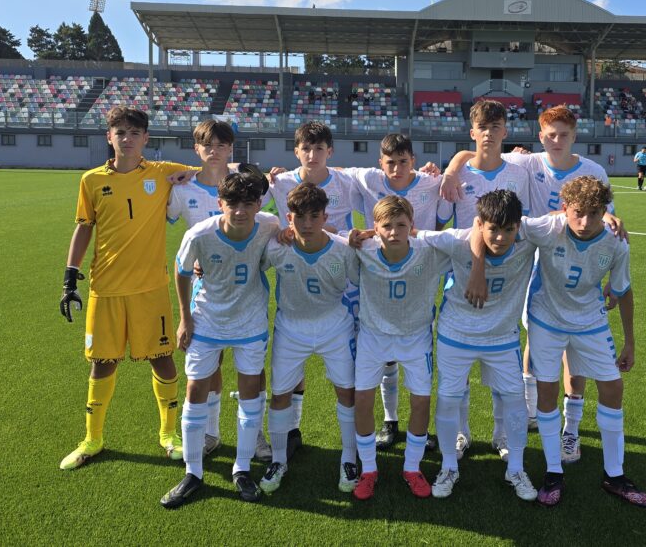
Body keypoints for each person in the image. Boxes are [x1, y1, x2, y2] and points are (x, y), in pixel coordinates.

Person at [443, 105, 624, 460]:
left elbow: (603, 215)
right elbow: (478, 150)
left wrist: (612, 222)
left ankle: (570, 428)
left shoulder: (593, 171)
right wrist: (451, 169)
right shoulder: (528, 162)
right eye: (551, 135)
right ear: (541, 137)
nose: (557, 140)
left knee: (572, 350)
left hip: (573, 259)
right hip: (533, 257)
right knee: (534, 335)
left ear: (574, 136)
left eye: (564, 135)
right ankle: (526, 411)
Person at [58, 106, 197, 472]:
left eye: (135, 133)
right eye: (120, 132)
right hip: (106, 288)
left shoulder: (163, 173)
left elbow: (212, 171)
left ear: (146, 138)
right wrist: (70, 276)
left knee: (162, 358)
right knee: (102, 363)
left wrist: (269, 174)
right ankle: (92, 439)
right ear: (109, 137)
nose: (128, 139)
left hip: (151, 289)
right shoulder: (91, 181)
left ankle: (169, 435)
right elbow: (84, 226)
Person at [519, 176, 646, 508]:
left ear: (604, 211)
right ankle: (553, 472)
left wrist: (630, 343)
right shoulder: (547, 227)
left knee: (613, 386)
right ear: (565, 208)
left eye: (594, 213)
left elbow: (623, 291)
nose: (584, 222)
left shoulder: (616, 243)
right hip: (546, 319)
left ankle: (615, 475)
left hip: (590, 320)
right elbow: (500, 224)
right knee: (548, 390)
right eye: (578, 213)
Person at [161, 166, 280, 508]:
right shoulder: (199, 234)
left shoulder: (269, 225)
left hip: (249, 323)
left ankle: (241, 468)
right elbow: (182, 271)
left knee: (250, 390)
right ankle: (193, 472)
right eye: (232, 203)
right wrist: (185, 319)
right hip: (207, 321)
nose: (240, 211)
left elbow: (288, 237)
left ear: (259, 204)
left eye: (248, 203)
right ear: (219, 203)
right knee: (195, 389)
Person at [419, 190, 540, 502]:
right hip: (456, 334)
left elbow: (563, 220)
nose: (501, 238)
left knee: (515, 399)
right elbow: (413, 234)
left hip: (502, 337)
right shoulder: (456, 241)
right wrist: (362, 235)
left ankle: (516, 468)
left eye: (508, 230)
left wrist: (609, 217)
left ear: (518, 226)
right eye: (493, 229)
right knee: (448, 398)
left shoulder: (528, 238)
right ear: (479, 224)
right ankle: (448, 466)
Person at [433, 99, 532, 462]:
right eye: (482, 128)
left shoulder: (520, 173)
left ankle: (501, 434)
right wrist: (450, 169)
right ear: (472, 132)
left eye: (495, 127)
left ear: (505, 132)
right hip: (460, 278)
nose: (489, 134)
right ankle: (461, 433)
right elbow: (443, 223)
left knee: (501, 370)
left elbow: (522, 224)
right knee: (456, 373)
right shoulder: (458, 175)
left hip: (505, 284)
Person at [261, 121, 362, 460]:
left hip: (341, 279)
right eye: (306, 148)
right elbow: (241, 192)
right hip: (298, 271)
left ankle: (367, 438)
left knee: (352, 370)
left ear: (330, 152)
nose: (312, 154)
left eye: (319, 148)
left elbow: (386, 185)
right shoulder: (280, 182)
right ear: (296, 151)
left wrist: (444, 169)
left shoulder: (347, 181)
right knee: (293, 364)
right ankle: (291, 431)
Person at [341, 133, 442, 452]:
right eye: (390, 163)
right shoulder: (368, 177)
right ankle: (390, 420)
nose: (397, 169)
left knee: (418, 359)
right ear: (380, 163)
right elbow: (331, 171)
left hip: (420, 266)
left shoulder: (431, 181)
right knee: (384, 359)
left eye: (403, 161)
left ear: (413, 161)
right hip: (381, 262)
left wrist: (451, 168)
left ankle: (420, 432)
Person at [350, 196, 451, 501]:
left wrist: (424, 234)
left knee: (420, 402)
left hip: (415, 336)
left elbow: (467, 240)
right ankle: (369, 469)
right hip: (373, 336)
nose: (394, 232)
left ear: (412, 226)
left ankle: (412, 467)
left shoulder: (428, 252)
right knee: (362, 400)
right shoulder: (362, 249)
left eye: (401, 225)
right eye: (386, 226)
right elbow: (323, 236)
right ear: (375, 227)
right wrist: (357, 235)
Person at [165, 119, 240, 458]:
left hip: (244, 287)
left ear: (231, 149)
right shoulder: (182, 190)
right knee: (210, 362)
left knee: (250, 365)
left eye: (221, 145)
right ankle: (211, 432)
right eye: (207, 145)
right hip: (202, 290)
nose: (214, 151)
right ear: (196, 149)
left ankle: (255, 434)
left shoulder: (243, 185)